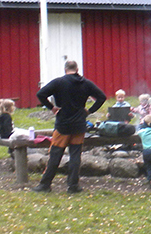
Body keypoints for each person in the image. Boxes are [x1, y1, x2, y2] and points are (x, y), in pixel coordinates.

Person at [33, 60, 107, 194]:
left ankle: (45, 185)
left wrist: (52, 108)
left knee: (55, 155)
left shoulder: (59, 82)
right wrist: (89, 111)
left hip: (63, 125)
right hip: (79, 124)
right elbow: (102, 97)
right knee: (75, 156)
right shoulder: (86, 83)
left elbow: (41, 94)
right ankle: (73, 186)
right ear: (77, 69)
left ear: (65, 69)